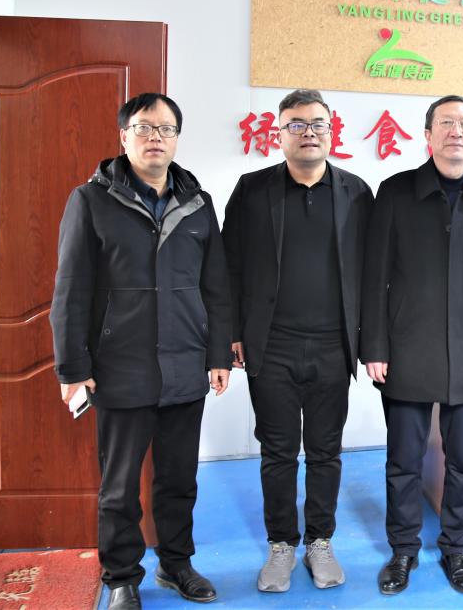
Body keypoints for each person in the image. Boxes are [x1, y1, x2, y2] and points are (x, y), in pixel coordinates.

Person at [50, 93, 232, 610]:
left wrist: (218, 354)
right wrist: (73, 368)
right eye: (145, 127)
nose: (156, 138)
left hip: (184, 365)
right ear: (123, 136)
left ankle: (176, 564)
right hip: (119, 368)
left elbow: (216, 286)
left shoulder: (198, 203)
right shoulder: (91, 200)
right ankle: (121, 577)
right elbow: (71, 291)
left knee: (179, 479)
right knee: (119, 486)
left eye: (166, 129)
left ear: (177, 139)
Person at [361, 95, 463, 595]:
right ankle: (403, 549)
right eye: (446, 123)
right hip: (407, 347)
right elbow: (374, 276)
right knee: (404, 461)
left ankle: (457, 549)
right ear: (427, 135)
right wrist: (374, 346)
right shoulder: (395, 192)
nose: (457, 131)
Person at [222, 89, 373, 592]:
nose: (308, 132)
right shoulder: (252, 190)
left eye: (317, 123)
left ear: (331, 131)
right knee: (278, 451)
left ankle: (320, 541)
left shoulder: (356, 192)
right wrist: (232, 333)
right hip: (272, 346)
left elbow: (372, 274)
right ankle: (282, 545)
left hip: (333, 346)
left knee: (326, 451)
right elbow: (228, 265)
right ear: (280, 133)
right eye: (296, 124)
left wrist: (370, 342)